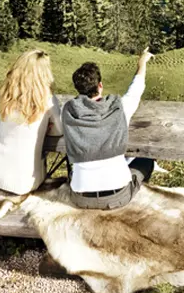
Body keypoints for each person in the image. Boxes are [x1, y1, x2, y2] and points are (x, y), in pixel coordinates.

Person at [61, 48, 158, 209]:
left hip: (80, 198)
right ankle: (135, 206)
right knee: (146, 162)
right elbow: (136, 88)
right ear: (100, 85)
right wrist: (142, 63)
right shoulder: (119, 107)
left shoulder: (68, 112)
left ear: (78, 89)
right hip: (117, 196)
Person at [0, 49, 64, 196]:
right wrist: (46, 127)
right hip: (24, 182)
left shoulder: (6, 94)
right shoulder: (47, 99)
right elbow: (59, 131)